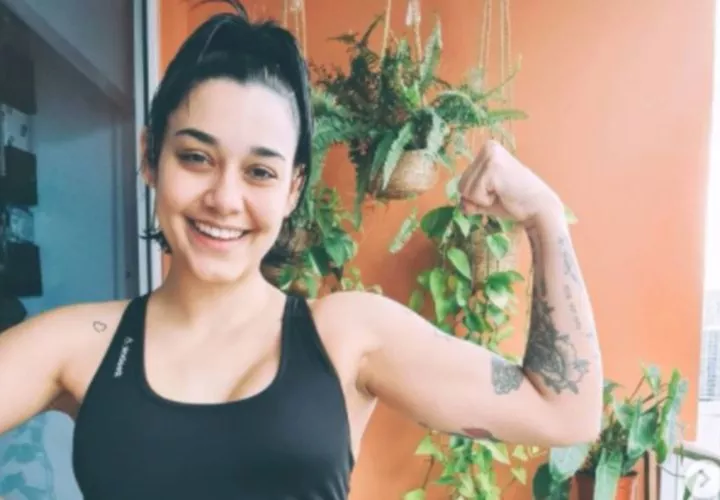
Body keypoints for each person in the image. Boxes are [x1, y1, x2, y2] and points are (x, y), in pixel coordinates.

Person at [0, 1, 603, 499]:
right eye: (196, 157)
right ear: (150, 158)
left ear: (292, 190)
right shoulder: (82, 345)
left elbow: (565, 413)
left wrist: (545, 218)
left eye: (260, 172)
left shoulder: (348, 336)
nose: (225, 198)